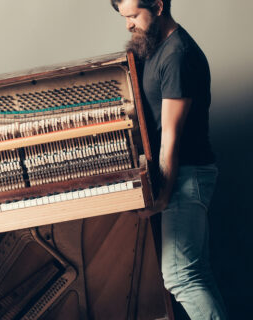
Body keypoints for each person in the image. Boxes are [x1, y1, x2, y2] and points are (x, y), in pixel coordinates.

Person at [110, 0, 228, 319]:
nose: (128, 24)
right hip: (182, 175)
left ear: (159, 6)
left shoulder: (178, 55)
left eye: (134, 16)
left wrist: (161, 197)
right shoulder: (154, 47)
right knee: (196, 274)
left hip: (186, 177)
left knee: (181, 278)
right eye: (124, 17)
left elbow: (170, 137)